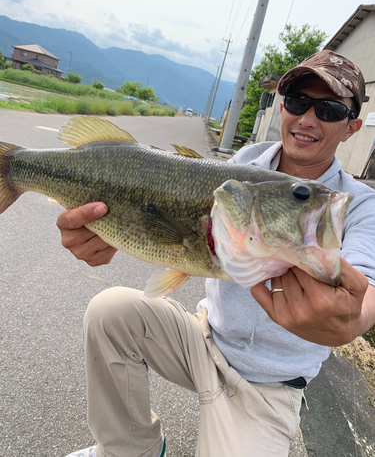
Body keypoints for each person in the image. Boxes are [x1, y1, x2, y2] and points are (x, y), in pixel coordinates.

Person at [61, 50, 375, 457]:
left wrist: (353, 320)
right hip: (204, 337)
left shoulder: (354, 205)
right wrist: (113, 231)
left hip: (270, 385)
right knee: (111, 311)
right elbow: (186, 232)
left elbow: (366, 289)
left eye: (329, 109)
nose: (308, 119)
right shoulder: (243, 165)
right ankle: (130, 448)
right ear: (283, 106)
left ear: (353, 126)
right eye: (298, 101)